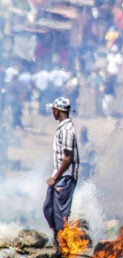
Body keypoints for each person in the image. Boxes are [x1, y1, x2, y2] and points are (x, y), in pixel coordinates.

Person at [43, 97, 80, 250]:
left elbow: (68, 158)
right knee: (48, 208)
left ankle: (64, 249)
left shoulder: (66, 131)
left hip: (64, 178)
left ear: (57, 111)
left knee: (60, 216)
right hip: (59, 177)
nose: (53, 112)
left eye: (53, 110)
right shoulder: (62, 128)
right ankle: (58, 238)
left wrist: (55, 177)